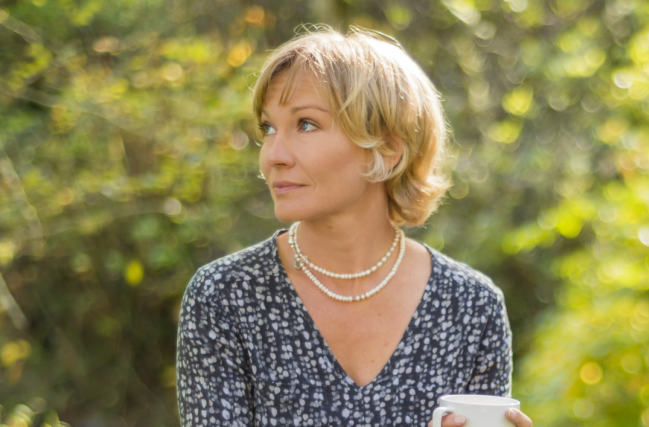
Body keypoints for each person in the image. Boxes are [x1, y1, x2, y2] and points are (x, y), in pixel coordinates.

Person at [176, 26, 533, 427]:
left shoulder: (471, 306)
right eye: (268, 128)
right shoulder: (224, 297)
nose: (272, 155)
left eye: (306, 124)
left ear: (386, 150)